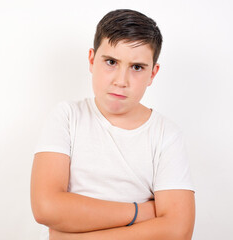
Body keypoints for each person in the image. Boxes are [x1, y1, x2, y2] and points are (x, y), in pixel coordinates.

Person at [30, 9, 195, 240]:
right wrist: (140, 212)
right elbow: (46, 207)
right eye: (111, 62)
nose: (121, 81)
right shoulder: (67, 117)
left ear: (153, 74)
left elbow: (178, 231)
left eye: (136, 67)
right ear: (91, 59)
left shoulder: (166, 134)